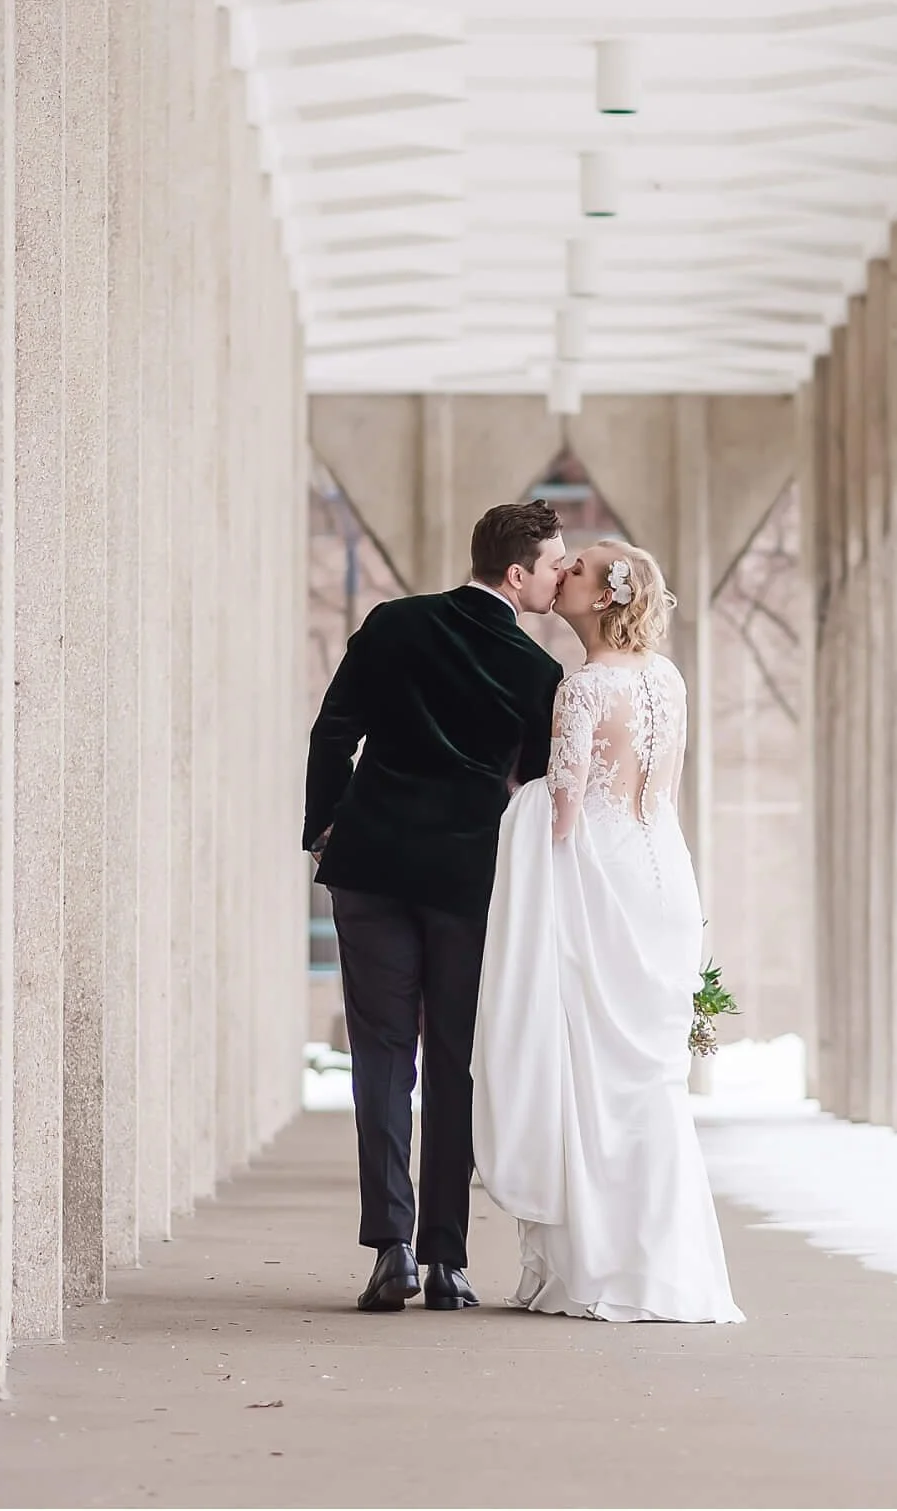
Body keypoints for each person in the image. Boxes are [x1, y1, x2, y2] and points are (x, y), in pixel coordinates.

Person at [302, 501, 568, 1312]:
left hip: (372, 865)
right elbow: (529, 786)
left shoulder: (393, 623)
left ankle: (392, 1248)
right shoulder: (537, 672)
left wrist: (324, 826)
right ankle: (448, 1260)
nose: (562, 578)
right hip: (466, 881)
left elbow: (332, 730)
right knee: (453, 1062)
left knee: (382, 1059)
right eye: (555, 565)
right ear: (516, 573)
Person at [471, 540, 745, 1323]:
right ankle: (667, 1264)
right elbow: (661, 792)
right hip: (661, 876)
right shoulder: (668, 678)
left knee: (592, 1074)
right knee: (650, 1078)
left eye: (578, 568)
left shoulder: (582, 688)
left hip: (597, 883)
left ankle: (599, 1264)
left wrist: (513, 811)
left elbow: (561, 811)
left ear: (601, 599)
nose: (563, 574)